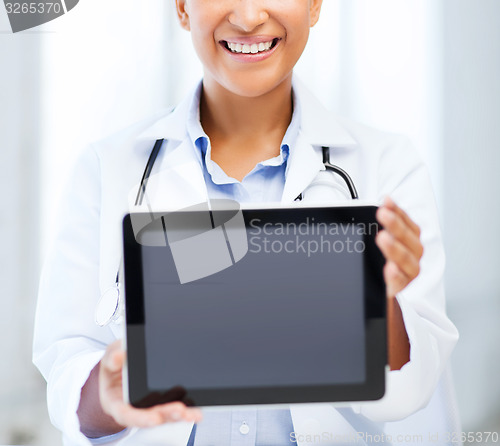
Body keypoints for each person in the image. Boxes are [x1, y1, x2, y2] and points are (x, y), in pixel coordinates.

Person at [33, 0, 459, 445]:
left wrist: (379, 295)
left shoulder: (388, 165)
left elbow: (412, 390)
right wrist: (108, 393)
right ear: (181, 8)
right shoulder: (107, 168)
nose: (249, 16)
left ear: (314, 5)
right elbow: (68, 371)